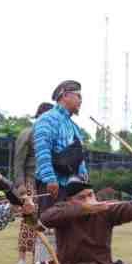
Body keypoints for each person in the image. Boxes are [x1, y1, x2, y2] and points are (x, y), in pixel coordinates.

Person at [33, 81, 87, 211]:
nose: (81, 101)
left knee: (70, 229)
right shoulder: (47, 119)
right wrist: (50, 179)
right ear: (66, 95)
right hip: (53, 186)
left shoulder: (74, 126)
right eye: (78, 96)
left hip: (72, 186)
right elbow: (42, 151)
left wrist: (83, 173)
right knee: (50, 228)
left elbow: (78, 154)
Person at [13, 102, 53, 264]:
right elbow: (19, 160)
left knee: (46, 220)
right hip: (30, 181)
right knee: (28, 218)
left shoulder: (50, 135)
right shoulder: (28, 133)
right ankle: (22, 258)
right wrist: (20, 184)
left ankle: (39, 256)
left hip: (48, 183)